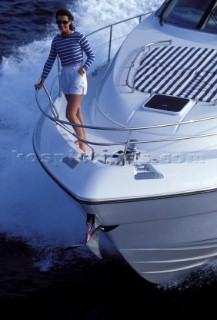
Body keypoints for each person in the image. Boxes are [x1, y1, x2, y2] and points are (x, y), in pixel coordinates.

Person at [34, 8, 95, 152]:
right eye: (59, 22)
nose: (61, 24)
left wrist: (83, 69)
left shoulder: (79, 37)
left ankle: (82, 144)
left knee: (69, 114)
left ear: (70, 22)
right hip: (65, 76)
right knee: (77, 111)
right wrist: (42, 80)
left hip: (78, 76)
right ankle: (83, 136)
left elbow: (91, 55)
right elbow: (50, 60)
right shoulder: (56, 40)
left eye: (64, 22)